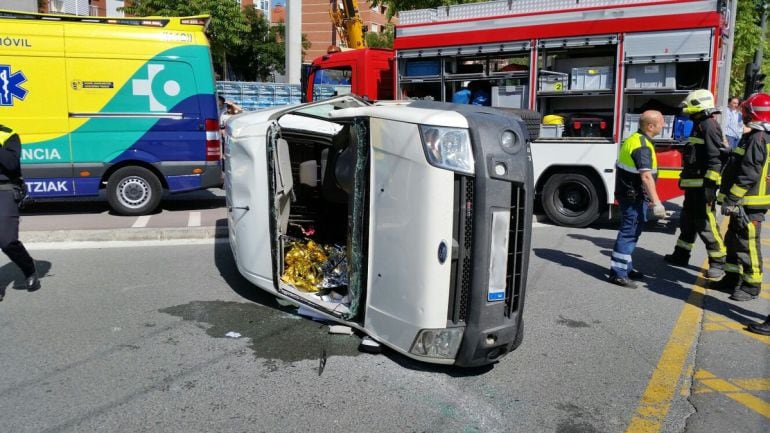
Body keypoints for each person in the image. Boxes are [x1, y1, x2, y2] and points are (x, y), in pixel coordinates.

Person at [664, 89, 727, 280]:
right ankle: (681, 255)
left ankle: (718, 263)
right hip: (694, 186)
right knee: (687, 222)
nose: (687, 109)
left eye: (690, 105)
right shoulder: (699, 124)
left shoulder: (708, 125)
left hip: (702, 188)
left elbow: (716, 159)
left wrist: (709, 187)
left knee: (706, 225)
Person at [714, 92, 770, 301]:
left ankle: (751, 285)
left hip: (749, 203)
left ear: (753, 114)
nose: (743, 114)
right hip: (745, 202)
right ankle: (732, 277)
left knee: (748, 244)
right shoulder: (754, 137)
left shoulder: (758, 138)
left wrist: (731, 200)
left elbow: (749, 175)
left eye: (746, 111)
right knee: (733, 239)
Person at [608, 110, 667, 288]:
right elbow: (646, 177)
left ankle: (625, 267)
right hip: (633, 197)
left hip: (631, 195)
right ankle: (618, 273)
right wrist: (657, 202)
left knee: (633, 231)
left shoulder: (635, 139)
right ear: (650, 126)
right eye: (661, 123)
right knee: (629, 232)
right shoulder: (642, 146)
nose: (664, 125)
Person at [0, 125, 40, 301]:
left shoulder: (8, 134)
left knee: (7, 241)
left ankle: (28, 267)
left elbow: (11, 163)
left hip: (4, 189)